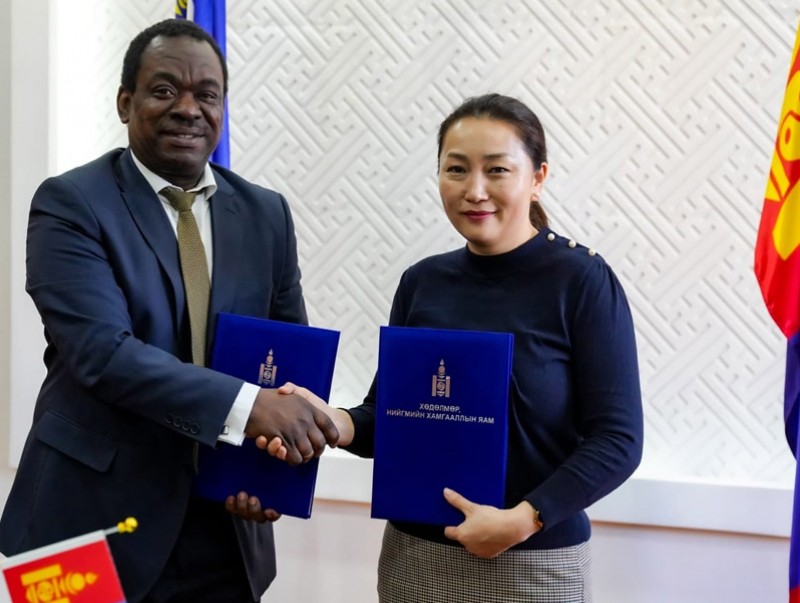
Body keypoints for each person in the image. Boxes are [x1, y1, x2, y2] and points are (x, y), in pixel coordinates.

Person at [0, 18, 338, 603]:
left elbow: (286, 360)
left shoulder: (265, 215)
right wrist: (248, 409)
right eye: (164, 90)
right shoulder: (70, 203)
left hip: (225, 529)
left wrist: (271, 471)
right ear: (125, 102)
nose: (188, 109)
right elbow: (103, 355)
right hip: (88, 523)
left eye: (207, 94)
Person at [264, 93, 643, 602]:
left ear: (538, 178)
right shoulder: (423, 282)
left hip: (532, 561)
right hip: (415, 558)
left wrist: (523, 519)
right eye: (457, 169)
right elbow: (391, 417)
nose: (475, 190)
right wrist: (330, 419)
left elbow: (618, 439)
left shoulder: (582, 281)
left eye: (497, 170)